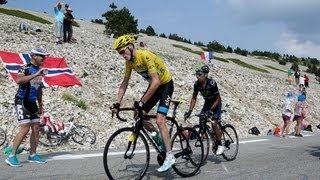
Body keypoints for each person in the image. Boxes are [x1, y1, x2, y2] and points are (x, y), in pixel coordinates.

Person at [110, 35, 175, 172]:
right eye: (119, 53)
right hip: (155, 86)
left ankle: (170, 156)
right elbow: (125, 82)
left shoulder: (145, 56)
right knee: (138, 114)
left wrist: (142, 102)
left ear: (130, 47)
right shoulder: (129, 62)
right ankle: (159, 139)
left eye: (122, 52)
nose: (121, 55)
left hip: (165, 85)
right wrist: (117, 103)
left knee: (160, 120)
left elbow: (156, 81)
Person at [5, 48, 49, 167]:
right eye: (42, 56)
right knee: (25, 129)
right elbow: (19, 80)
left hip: (32, 103)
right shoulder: (26, 68)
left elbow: (39, 88)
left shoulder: (40, 70)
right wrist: (35, 74)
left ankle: (33, 154)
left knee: (36, 128)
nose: (43, 59)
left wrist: (40, 104)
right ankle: (11, 156)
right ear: (34, 56)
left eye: (44, 57)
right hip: (22, 101)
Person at [184, 63, 225, 155]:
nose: (197, 76)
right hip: (207, 103)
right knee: (201, 119)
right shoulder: (196, 84)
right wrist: (190, 111)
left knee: (214, 123)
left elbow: (218, 99)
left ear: (205, 75)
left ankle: (220, 144)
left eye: (199, 74)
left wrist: (210, 111)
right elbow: (194, 98)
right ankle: (206, 136)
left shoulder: (212, 83)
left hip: (216, 104)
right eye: (196, 74)